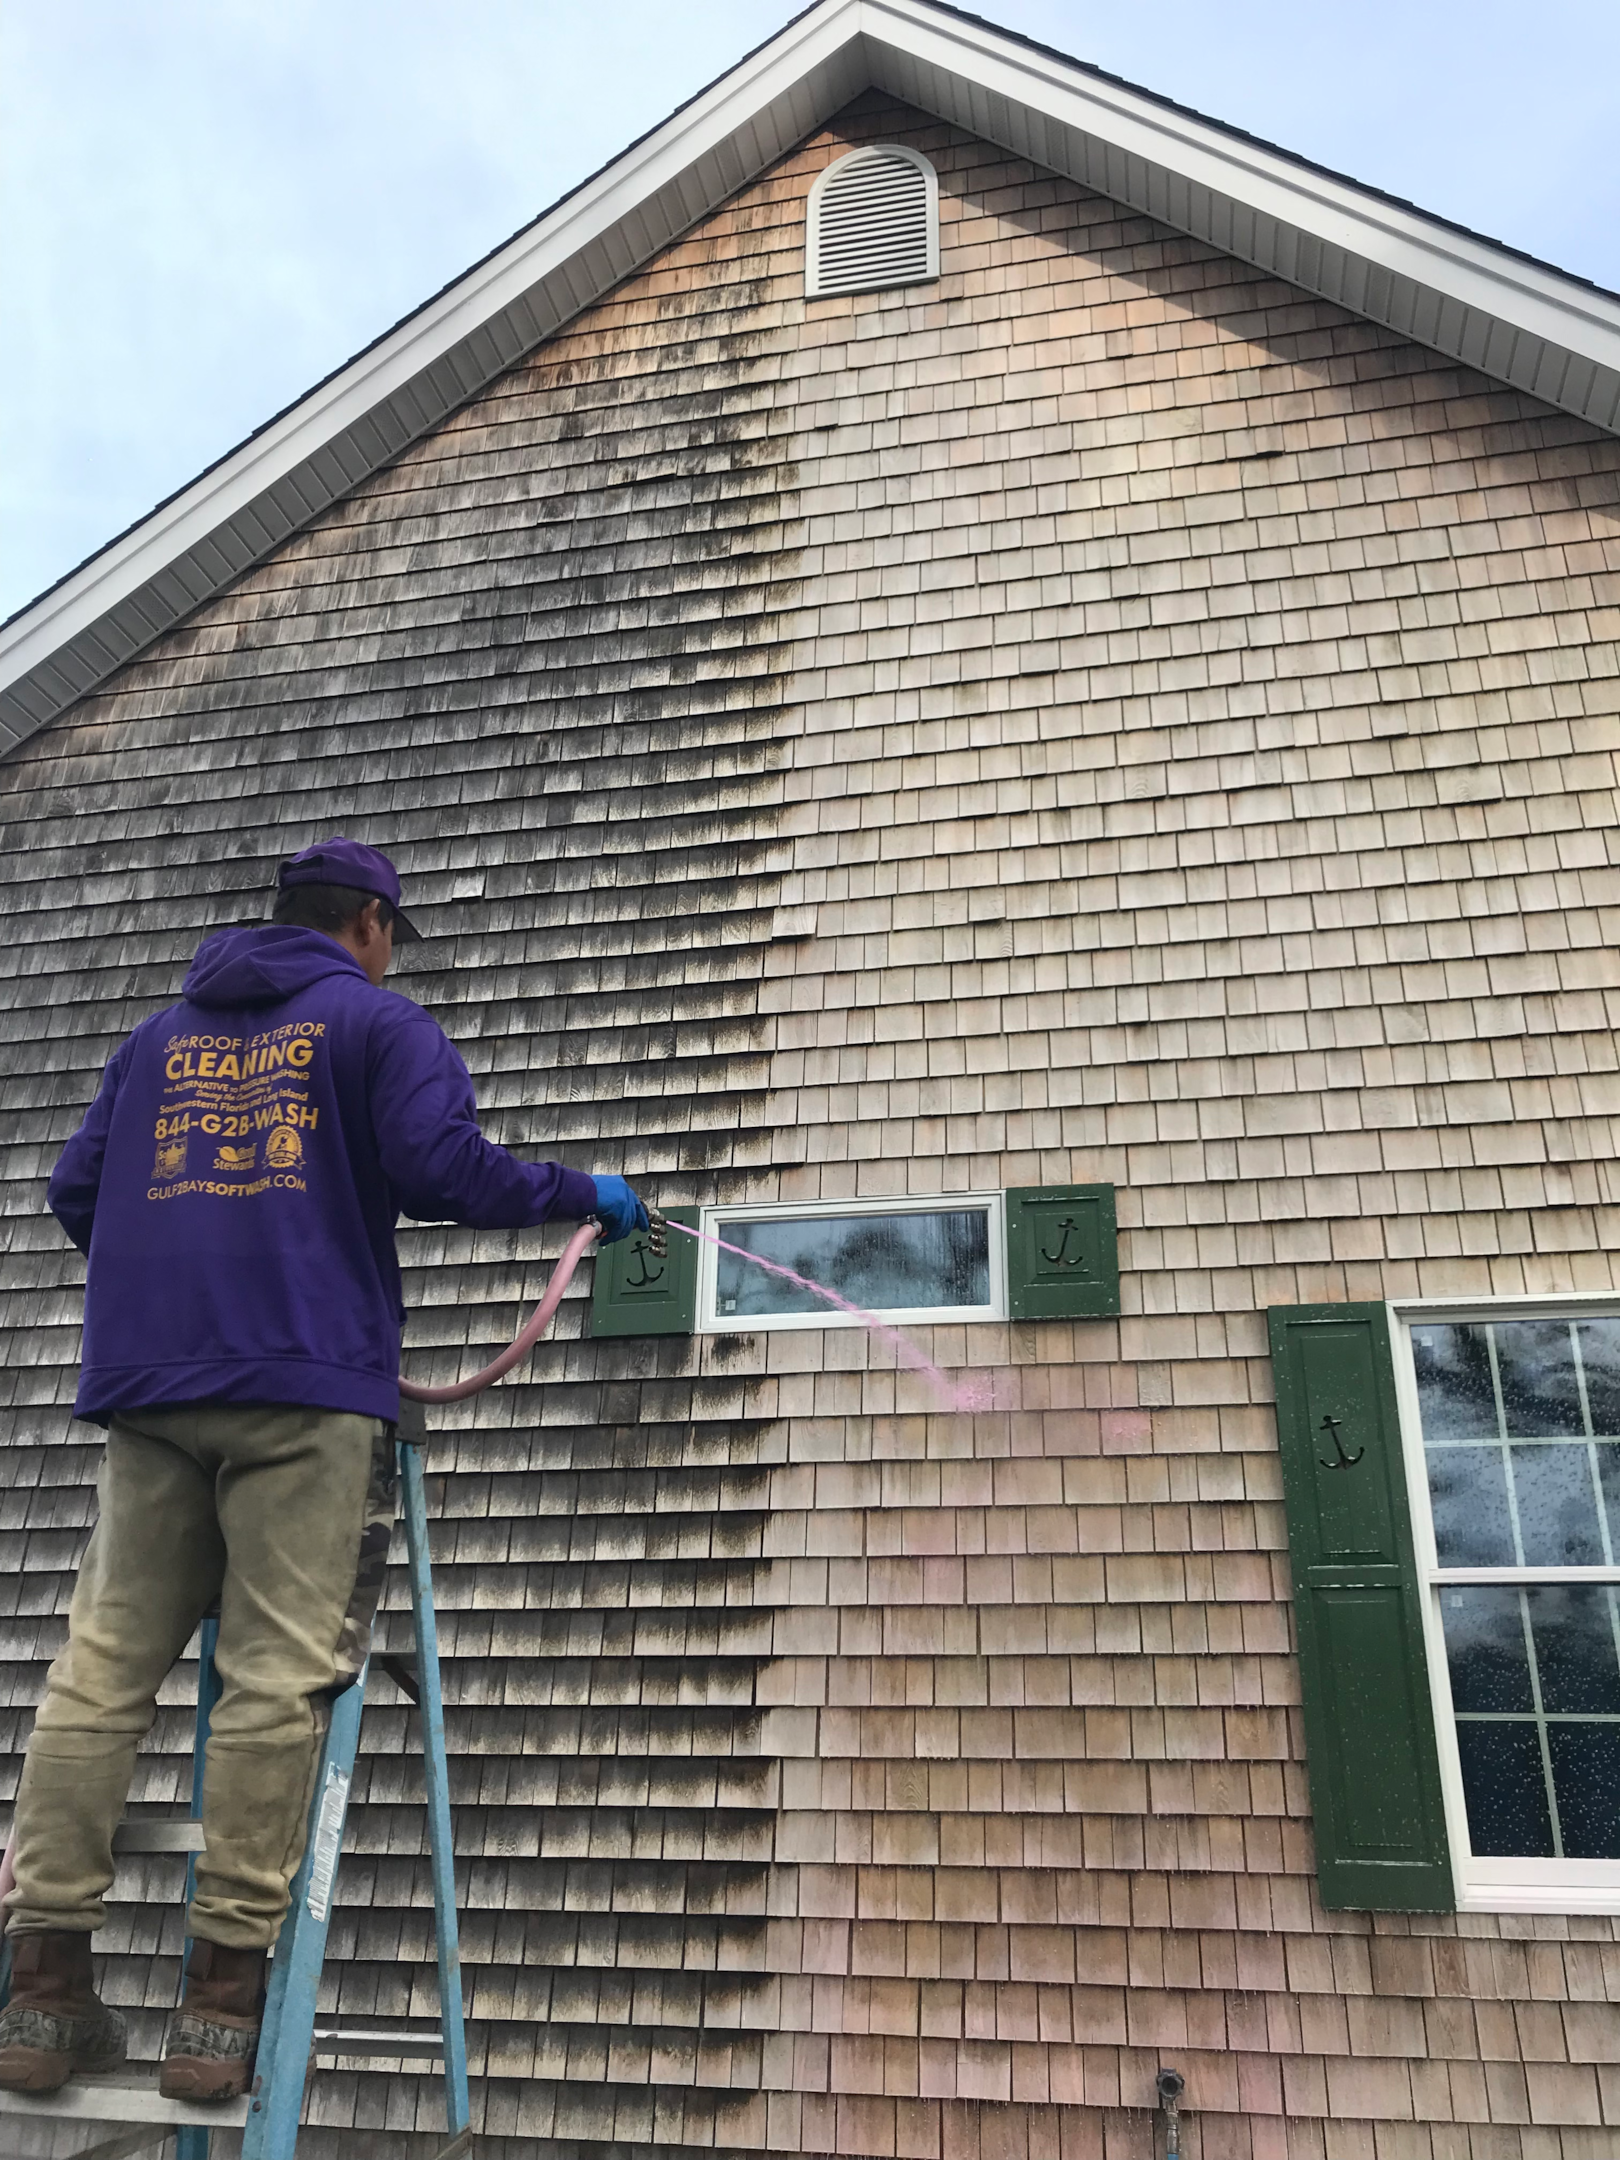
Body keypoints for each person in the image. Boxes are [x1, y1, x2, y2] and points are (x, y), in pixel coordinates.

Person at [0, 837, 649, 2103]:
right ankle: (220, 2012)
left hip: (152, 1392)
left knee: (100, 1669)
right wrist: (588, 1192)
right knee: (275, 1675)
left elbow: (80, 1194)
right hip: (304, 1391)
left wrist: (184, 1258)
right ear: (368, 925)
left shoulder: (155, 1044)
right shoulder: (377, 1026)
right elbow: (443, 1170)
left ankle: (43, 1992)